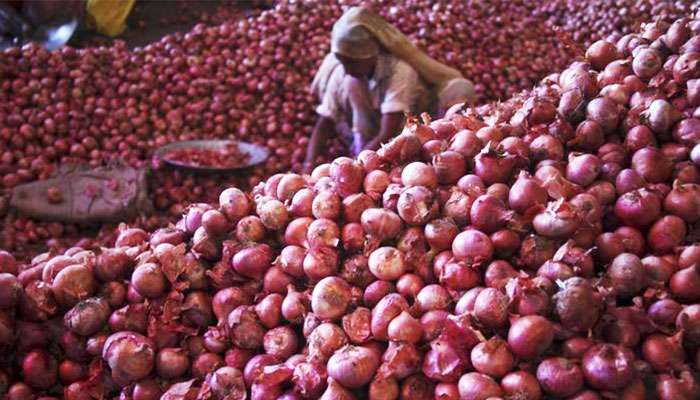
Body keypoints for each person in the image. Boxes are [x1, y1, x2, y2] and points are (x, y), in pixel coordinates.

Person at [303, 6, 475, 173]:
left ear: (371, 54)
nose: (347, 69)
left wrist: (358, 166)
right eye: (343, 62)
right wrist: (308, 165)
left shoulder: (400, 71)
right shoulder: (346, 73)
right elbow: (324, 122)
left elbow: (389, 132)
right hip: (371, 142)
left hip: (408, 138)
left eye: (352, 62)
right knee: (351, 83)